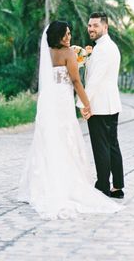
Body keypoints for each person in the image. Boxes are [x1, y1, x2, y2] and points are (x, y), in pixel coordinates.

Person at [18, 20, 122, 219]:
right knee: (66, 138)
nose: (69, 37)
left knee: (47, 138)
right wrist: (86, 104)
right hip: (63, 101)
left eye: (69, 33)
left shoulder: (47, 53)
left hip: (48, 100)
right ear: (58, 36)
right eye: (66, 34)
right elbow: (76, 81)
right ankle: (65, 182)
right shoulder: (68, 53)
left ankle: (43, 182)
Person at [84, 12, 125, 199]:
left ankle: (102, 186)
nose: (91, 28)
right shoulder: (107, 47)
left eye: (95, 25)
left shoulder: (102, 49)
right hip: (110, 104)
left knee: (101, 147)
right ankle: (117, 187)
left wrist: (84, 104)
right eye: (89, 25)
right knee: (112, 145)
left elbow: (95, 79)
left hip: (99, 105)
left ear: (105, 27)